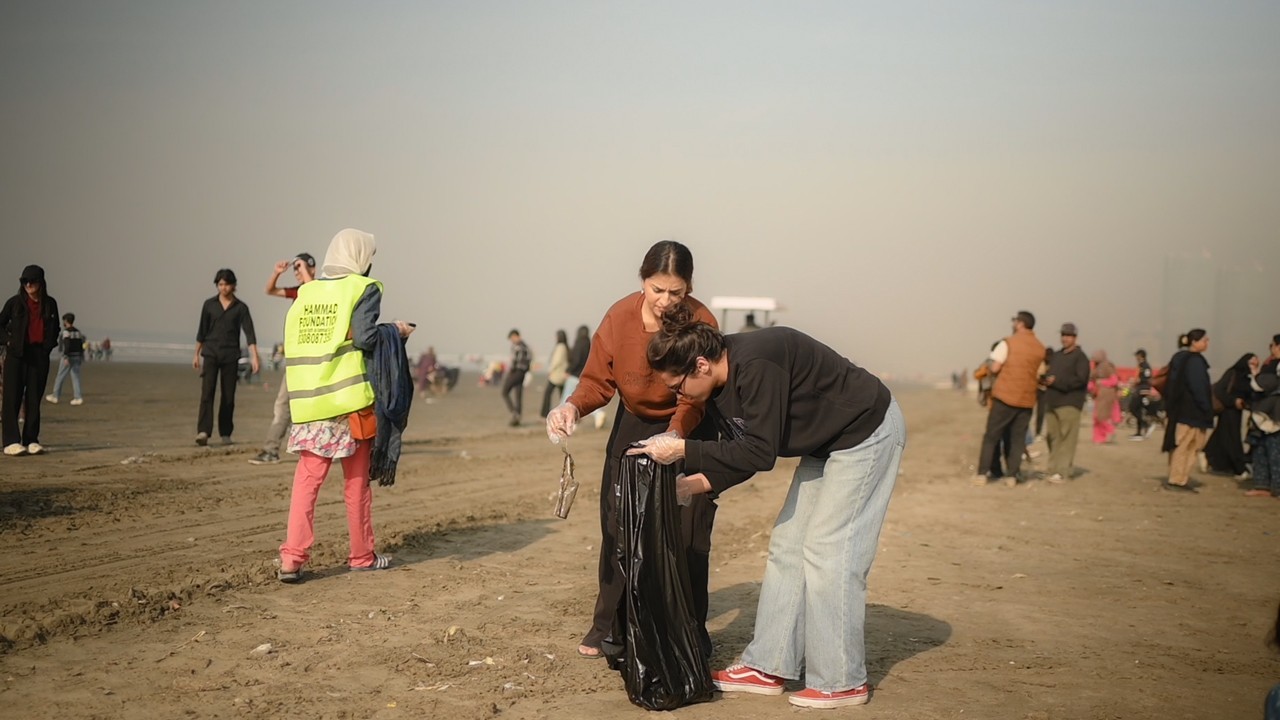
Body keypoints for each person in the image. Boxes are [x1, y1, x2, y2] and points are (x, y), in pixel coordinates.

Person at [628, 302, 903, 709]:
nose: (678, 396)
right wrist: (695, 484)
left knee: (830, 553)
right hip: (824, 442)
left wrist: (683, 448)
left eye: (678, 386)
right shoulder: (718, 388)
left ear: (700, 365)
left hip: (866, 433)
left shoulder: (757, 364)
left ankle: (843, 680)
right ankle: (768, 665)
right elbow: (742, 451)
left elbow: (760, 452)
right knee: (788, 547)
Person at [545, 240, 719, 661]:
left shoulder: (701, 320)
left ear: (689, 288)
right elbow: (596, 381)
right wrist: (571, 405)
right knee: (619, 525)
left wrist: (676, 436)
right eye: (657, 289)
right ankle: (610, 626)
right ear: (643, 281)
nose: (665, 301)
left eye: (675, 292)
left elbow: (696, 396)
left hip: (690, 424)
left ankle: (690, 629)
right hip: (633, 424)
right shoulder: (619, 316)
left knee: (688, 534)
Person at [276, 228, 414, 581]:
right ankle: (361, 555)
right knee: (355, 484)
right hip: (350, 401)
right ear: (361, 258)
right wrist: (395, 331)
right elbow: (367, 336)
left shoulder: (307, 292)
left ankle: (292, 558)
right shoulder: (364, 288)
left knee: (307, 481)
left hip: (309, 402)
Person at [249, 254, 316, 464]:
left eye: (300, 268)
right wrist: (277, 273)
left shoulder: (318, 289)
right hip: (296, 360)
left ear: (312, 268)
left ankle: (322, 448)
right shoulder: (298, 292)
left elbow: (314, 290)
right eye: (295, 269)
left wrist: (304, 268)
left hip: (314, 359)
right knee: (283, 405)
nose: (297, 272)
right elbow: (269, 290)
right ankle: (271, 449)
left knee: (314, 407)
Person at [973, 311, 1044, 486]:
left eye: (1014, 321)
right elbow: (1041, 373)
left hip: (1005, 396)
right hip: (1027, 399)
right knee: (1017, 439)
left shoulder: (1008, 343)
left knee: (992, 436)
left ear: (1020, 323)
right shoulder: (1039, 347)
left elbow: (995, 367)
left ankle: (982, 473)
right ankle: (1012, 476)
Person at [194, 268, 259, 446]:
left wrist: (254, 357)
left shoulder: (241, 308)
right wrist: (196, 354)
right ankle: (203, 432)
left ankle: (225, 433)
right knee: (207, 393)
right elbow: (202, 331)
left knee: (228, 396)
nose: (223, 288)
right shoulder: (209, 305)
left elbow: (249, 333)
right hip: (210, 353)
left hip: (231, 355)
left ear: (233, 285)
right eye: (220, 284)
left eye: (227, 284)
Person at [1, 265, 60, 456]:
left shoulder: (50, 304)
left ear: (41, 283)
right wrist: (9, 342)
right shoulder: (14, 303)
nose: (28, 285)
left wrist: (48, 345)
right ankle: (11, 442)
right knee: (12, 398)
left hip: (39, 356)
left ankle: (31, 440)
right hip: (17, 356)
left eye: (32, 281)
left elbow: (56, 328)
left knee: (34, 399)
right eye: (25, 281)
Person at [1160, 329, 1212, 492]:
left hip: (1178, 411)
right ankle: (1177, 480)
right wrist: (1206, 408)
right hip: (1191, 412)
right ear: (1194, 342)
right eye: (1204, 340)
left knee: (1180, 446)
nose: (1207, 343)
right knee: (1187, 447)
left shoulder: (1179, 358)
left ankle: (1178, 478)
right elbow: (1198, 388)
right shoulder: (1195, 362)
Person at [1041, 323, 1091, 482]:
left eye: (1068, 335)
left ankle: (1063, 471)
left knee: (1067, 439)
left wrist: (1058, 382)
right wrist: (1046, 380)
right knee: (1052, 437)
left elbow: (1080, 380)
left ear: (1075, 337)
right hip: (1052, 402)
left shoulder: (1080, 357)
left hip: (1070, 402)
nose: (1064, 338)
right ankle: (1053, 468)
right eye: (1063, 335)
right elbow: (1049, 374)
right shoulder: (1056, 355)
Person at [1204, 353, 1258, 479]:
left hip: (1238, 412)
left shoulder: (1250, 378)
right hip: (1228, 410)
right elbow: (1220, 390)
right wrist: (1233, 401)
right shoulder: (1233, 373)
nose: (1253, 366)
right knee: (1233, 438)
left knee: (1222, 436)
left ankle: (1217, 461)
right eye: (1251, 363)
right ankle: (1239, 468)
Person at [1246, 335, 1280, 498]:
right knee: (1260, 450)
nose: (1271, 350)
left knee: (1276, 453)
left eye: (1272, 346)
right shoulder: (1271, 365)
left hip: (1275, 418)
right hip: (1263, 417)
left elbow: (1263, 384)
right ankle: (1263, 485)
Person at [46, 312, 87, 406]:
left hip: (69, 356)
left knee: (60, 376)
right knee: (76, 377)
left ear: (66, 321)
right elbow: (81, 344)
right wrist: (81, 355)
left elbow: (67, 344)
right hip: (77, 356)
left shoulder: (66, 332)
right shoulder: (78, 332)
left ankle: (55, 395)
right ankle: (78, 397)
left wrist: (65, 356)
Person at [1089, 349, 1121, 444]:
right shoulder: (1096, 367)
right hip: (1099, 395)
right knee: (1096, 417)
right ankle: (1098, 437)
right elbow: (1092, 379)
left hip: (1106, 395)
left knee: (1101, 416)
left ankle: (1109, 431)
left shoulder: (1107, 366)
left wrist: (1102, 382)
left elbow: (1114, 381)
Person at [502, 329, 531, 426]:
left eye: (512, 338)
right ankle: (518, 415)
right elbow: (529, 359)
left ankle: (514, 412)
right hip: (522, 372)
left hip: (516, 371)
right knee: (518, 394)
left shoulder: (518, 347)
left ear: (515, 336)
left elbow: (514, 361)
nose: (512, 341)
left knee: (505, 391)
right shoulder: (526, 347)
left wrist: (510, 371)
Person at [539, 329, 569, 417]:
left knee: (548, 393)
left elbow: (557, 360)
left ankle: (544, 413)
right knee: (563, 395)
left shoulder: (560, 347)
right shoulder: (565, 347)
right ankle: (566, 413)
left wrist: (550, 370)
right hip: (561, 375)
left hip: (557, 375)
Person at [1129, 348, 1155, 440]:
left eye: (1137, 355)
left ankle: (1146, 424)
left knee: (1133, 407)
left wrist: (1140, 380)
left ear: (1141, 356)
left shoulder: (1146, 366)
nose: (1136, 357)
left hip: (1143, 390)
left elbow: (1148, 378)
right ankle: (1139, 432)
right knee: (1137, 410)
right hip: (1138, 389)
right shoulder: (1140, 366)